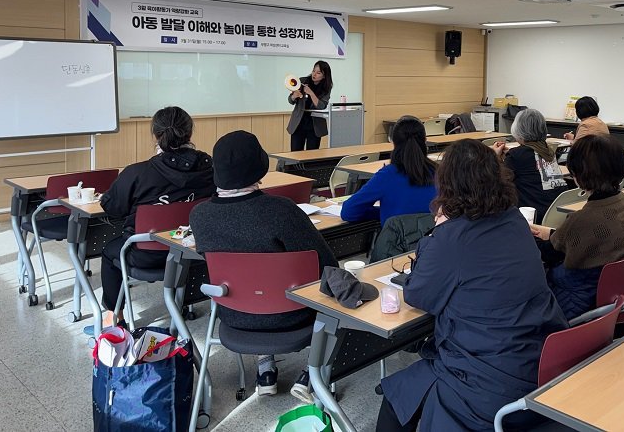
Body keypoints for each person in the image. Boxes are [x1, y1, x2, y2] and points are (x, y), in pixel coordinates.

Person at [377, 140, 567, 432]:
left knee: (398, 396)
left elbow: (417, 295)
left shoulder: (449, 239)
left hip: (489, 382)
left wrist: (437, 231)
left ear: (446, 184)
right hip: (543, 361)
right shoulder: (514, 219)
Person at [190, 130, 338, 398]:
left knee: (256, 286)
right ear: (260, 165)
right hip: (292, 314)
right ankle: (312, 373)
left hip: (234, 314)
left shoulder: (199, 216)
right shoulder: (281, 209)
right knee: (331, 288)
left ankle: (265, 368)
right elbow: (327, 264)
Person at [99, 106, 215, 322]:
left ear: (156, 134)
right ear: (189, 132)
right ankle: (185, 302)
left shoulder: (137, 173)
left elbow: (113, 207)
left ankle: (115, 317)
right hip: (196, 251)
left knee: (109, 251)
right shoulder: (209, 166)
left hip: (146, 255)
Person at [530, 134, 624, 320]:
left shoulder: (582, 219)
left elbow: (551, 253)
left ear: (579, 175)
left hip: (578, 302)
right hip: (619, 295)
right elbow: (590, 239)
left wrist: (528, 236)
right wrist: (552, 234)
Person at [341, 115, 437, 225]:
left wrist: (383, 213)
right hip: (435, 239)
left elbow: (348, 212)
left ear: (393, 142)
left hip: (397, 240)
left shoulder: (387, 175)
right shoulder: (441, 172)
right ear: (425, 141)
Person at [493, 108, 568, 223]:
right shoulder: (548, 150)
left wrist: (496, 158)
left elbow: (499, 183)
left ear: (519, 130)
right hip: (556, 213)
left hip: (533, 216)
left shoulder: (517, 155)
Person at [286, 60, 333, 152]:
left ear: (324, 76)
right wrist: (294, 96)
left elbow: (321, 106)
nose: (314, 74)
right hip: (299, 123)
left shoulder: (326, 87)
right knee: (295, 154)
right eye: (313, 71)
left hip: (314, 126)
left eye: (318, 72)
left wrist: (311, 93)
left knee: (311, 155)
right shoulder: (302, 81)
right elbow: (290, 100)